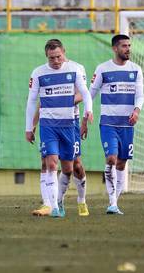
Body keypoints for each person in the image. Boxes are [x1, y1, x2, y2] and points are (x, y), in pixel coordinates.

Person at [25, 39, 93, 218]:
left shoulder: (76, 69)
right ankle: (51, 204)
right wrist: (31, 125)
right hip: (49, 123)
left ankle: (80, 200)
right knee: (48, 161)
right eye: (51, 58)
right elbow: (37, 101)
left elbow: (83, 93)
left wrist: (85, 113)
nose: (55, 61)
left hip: (71, 122)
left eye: (58, 57)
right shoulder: (40, 73)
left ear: (64, 52)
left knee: (72, 167)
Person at [85, 34, 144, 215]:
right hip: (108, 123)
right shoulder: (103, 69)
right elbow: (91, 93)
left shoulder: (136, 70)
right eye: (124, 46)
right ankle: (112, 203)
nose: (128, 49)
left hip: (127, 125)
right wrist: (86, 116)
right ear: (115, 48)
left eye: (129, 45)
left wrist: (136, 110)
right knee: (111, 158)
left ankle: (114, 202)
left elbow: (140, 95)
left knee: (121, 164)